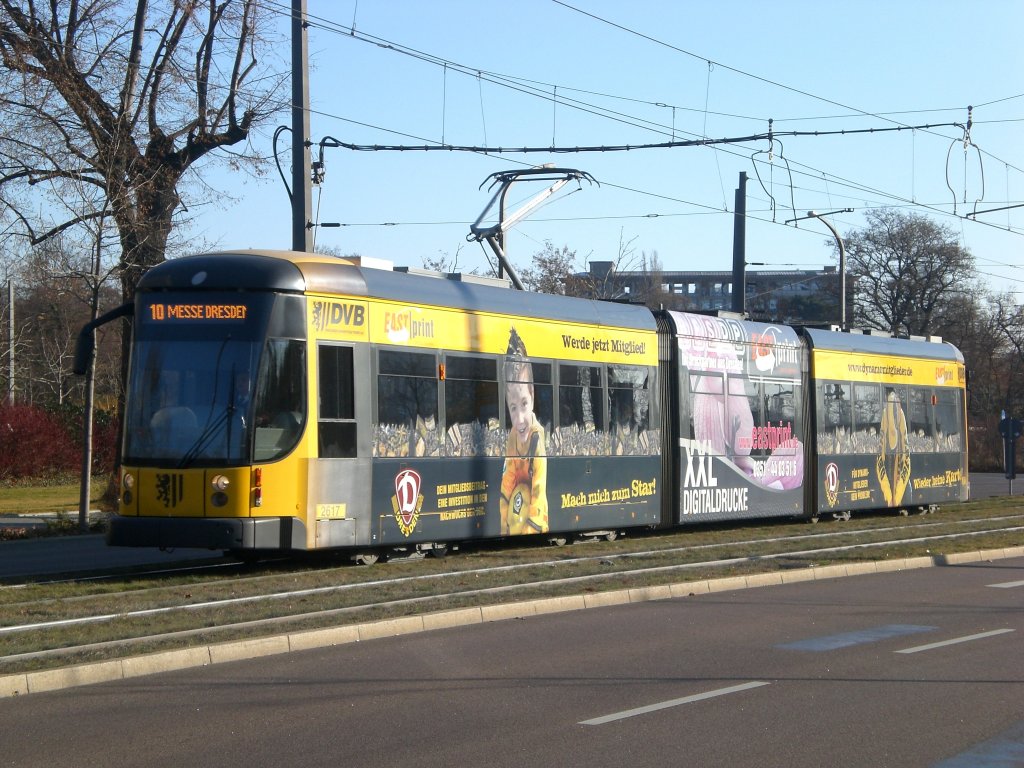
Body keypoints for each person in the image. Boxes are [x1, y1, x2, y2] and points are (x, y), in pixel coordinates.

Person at [499, 328, 549, 535]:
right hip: (516, 520)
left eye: (524, 404)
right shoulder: (512, 436)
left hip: (536, 523)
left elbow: (538, 489)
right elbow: (507, 479)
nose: (519, 419)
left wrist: (530, 528)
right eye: (513, 407)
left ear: (533, 396)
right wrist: (504, 527)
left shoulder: (537, 438)